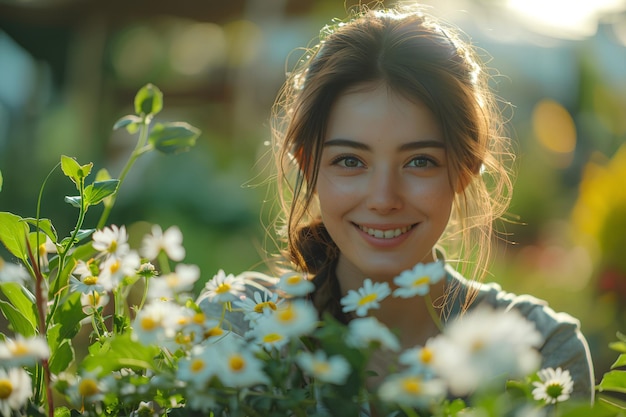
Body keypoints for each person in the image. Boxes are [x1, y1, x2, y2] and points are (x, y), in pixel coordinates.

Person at [265, 2, 595, 402]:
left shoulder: (541, 351)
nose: (384, 199)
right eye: (350, 161)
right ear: (309, 165)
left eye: (420, 161)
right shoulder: (246, 330)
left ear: (465, 169)